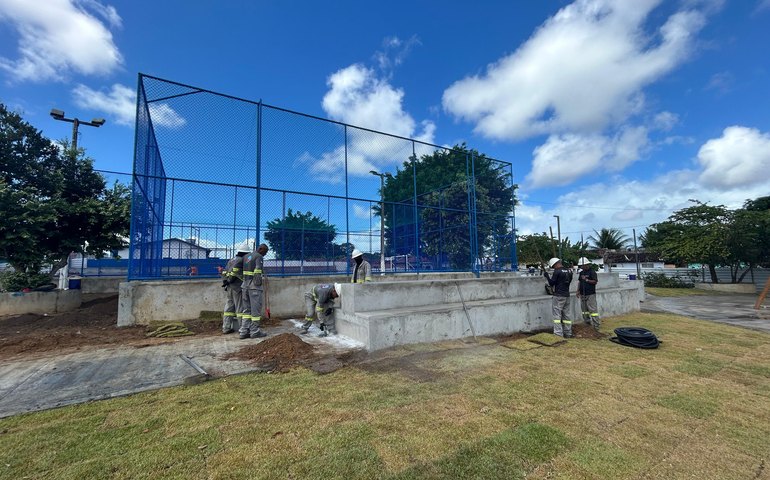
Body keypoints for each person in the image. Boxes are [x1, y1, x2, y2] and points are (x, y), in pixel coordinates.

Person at [239, 243, 269, 339]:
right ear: (260, 249)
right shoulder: (259, 256)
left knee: (246, 310)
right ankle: (254, 331)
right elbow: (257, 271)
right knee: (255, 310)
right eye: (265, 252)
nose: (265, 254)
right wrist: (259, 283)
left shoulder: (246, 256)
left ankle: (244, 331)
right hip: (254, 287)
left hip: (244, 286)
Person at [220, 242, 250, 334]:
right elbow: (237, 273)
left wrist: (225, 281)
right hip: (237, 287)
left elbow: (224, 272)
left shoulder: (231, 260)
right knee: (240, 308)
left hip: (229, 287)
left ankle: (226, 327)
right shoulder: (241, 260)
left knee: (229, 307)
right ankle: (243, 329)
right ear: (245, 253)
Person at [544, 257, 574, 338]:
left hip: (558, 296)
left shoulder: (557, 271)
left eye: (553, 266)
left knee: (557, 315)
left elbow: (552, 283)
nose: (553, 268)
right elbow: (569, 281)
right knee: (566, 315)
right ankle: (568, 332)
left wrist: (547, 276)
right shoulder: (569, 271)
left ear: (555, 264)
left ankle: (558, 334)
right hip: (566, 295)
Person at [576, 257, 600, 330]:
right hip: (583, 294)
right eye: (581, 266)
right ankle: (587, 323)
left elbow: (595, 282)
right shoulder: (581, 273)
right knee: (584, 310)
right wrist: (578, 290)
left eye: (583, 265)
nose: (582, 267)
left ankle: (596, 325)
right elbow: (580, 282)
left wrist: (586, 280)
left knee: (593, 310)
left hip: (590, 294)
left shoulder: (592, 272)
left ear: (587, 265)